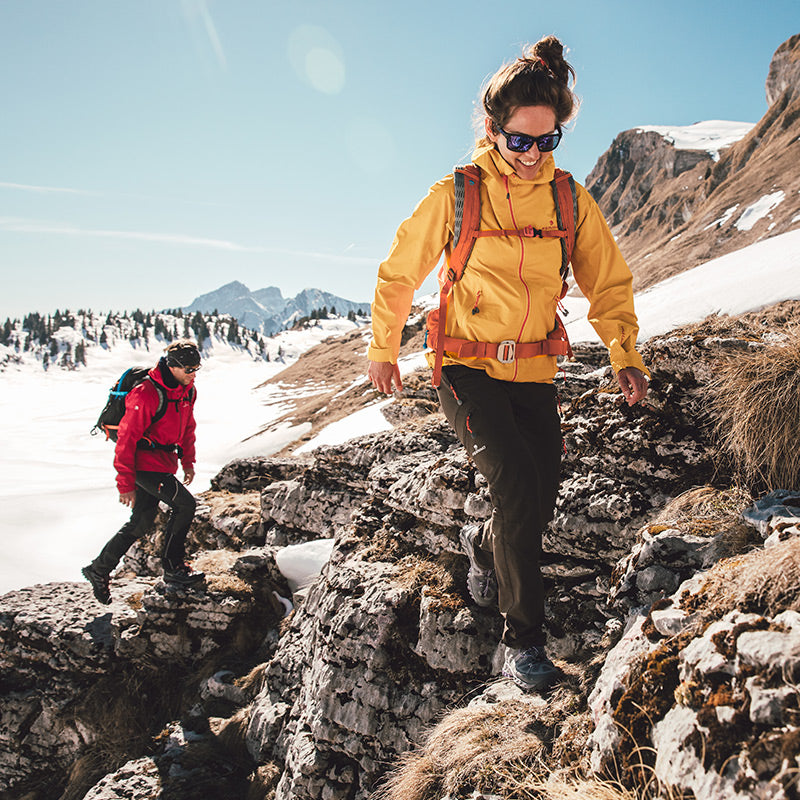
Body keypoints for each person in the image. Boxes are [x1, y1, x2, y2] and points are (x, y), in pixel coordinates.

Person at [367, 36, 649, 691]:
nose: (531, 157)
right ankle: (522, 644)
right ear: (493, 132)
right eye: (519, 142)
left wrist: (624, 353)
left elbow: (608, 281)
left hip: (533, 373)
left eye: (546, 143)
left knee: (535, 497)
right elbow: (399, 272)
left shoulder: (570, 200)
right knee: (519, 486)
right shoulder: (458, 194)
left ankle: (489, 540)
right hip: (463, 371)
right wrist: (383, 346)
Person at [82, 340, 205, 604]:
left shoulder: (187, 391)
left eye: (197, 367)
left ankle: (98, 569)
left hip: (163, 461)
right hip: (143, 465)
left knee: (142, 520)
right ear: (172, 366)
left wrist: (188, 461)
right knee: (185, 505)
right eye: (188, 368)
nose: (193, 373)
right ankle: (174, 568)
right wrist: (124, 482)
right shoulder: (147, 393)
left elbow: (188, 427)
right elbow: (126, 439)